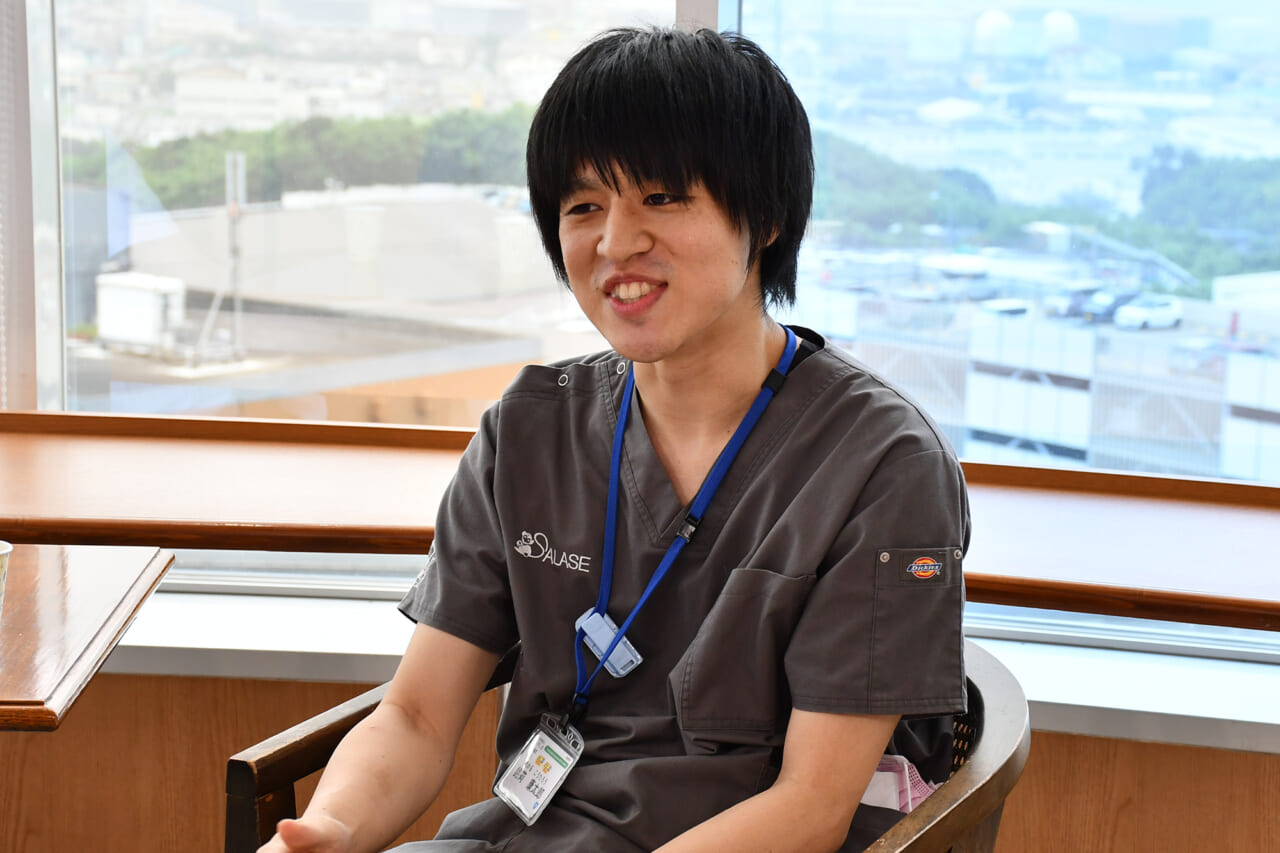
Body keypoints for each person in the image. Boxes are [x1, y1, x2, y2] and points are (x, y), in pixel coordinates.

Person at [261, 25, 968, 853]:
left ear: (767, 214)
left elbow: (810, 808)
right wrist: (331, 827)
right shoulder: (529, 431)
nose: (615, 242)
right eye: (584, 206)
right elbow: (416, 714)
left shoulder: (882, 466)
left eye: (661, 198)